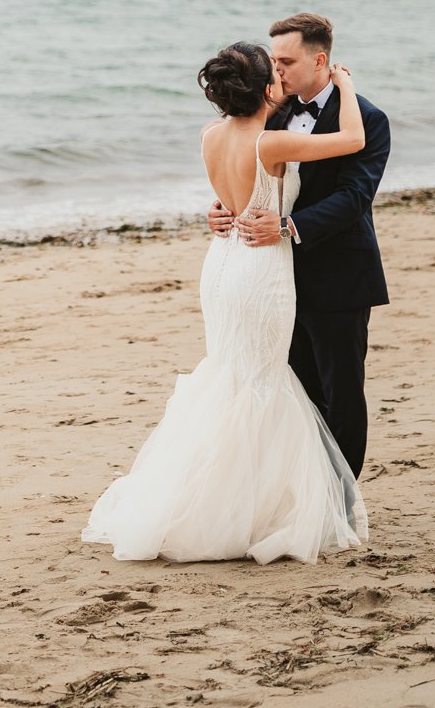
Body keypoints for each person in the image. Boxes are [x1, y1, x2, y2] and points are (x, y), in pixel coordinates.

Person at [80, 40, 369, 564]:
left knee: (230, 374)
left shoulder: (210, 134)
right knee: (261, 381)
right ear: (265, 90)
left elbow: (230, 190)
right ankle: (253, 510)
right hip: (261, 267)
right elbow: (353, 139)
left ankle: (215, 500)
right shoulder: (271, 143)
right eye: (274, 75)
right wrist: (345, 83)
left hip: (222, 263)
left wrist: (222, 207)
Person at [210, 12, 390, 477]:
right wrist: (223, 207)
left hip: (337, 275)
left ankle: (343, 498)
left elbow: (354, 198)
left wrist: (287, 226)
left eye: (286, 62)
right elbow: (250, 169)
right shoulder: (274, 109)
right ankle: (304, 493)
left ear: (320, 60)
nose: (277, 71)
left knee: (340, 393)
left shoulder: (368, 118)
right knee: (294, 391)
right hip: (274, 279)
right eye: (274, 62)